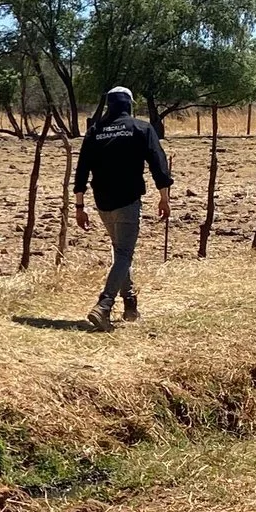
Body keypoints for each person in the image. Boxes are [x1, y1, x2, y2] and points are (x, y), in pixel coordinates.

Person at [72, 86, 172, 331]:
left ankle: (130, 304)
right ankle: (104, 305)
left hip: (102, 202)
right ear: (129, 104)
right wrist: (164, 197)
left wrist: (79, 206)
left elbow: (81, 170)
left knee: (120, 253)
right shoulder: (141, 128)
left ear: (109, 105)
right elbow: (159, 164)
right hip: (128, 201)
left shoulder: (95, 131)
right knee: (125, 254)